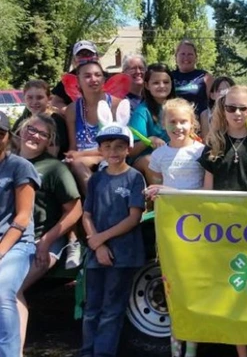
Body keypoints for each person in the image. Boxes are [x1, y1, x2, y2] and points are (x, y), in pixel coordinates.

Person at [199, 85, 247, 357]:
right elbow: (207, 193)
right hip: (224, 232)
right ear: (222, 108)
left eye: (242, 108)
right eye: (230, 107)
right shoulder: (213, 144)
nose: (236, 113)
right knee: (233, 295)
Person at [15, 114, 82, 354]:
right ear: (21, 131)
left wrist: (46, 242)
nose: (35, 135)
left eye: (42, 134)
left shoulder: (53, 169)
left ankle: (14, 351)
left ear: (49, 141)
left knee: (9, 290)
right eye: (31, 129)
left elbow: (75, 210)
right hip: (10, 242)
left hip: (43, 243)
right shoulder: (9, 163)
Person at [81, 110, 145, 357]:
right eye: (108, 146)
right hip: (97, 255)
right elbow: (87, 215)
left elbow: (134, 217)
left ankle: (103, 353)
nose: (114, 151)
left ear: (128, 149)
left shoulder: (134, 178)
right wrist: (96, 245)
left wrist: (101, 239)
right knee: (91, 309)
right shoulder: (96, 180)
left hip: (124, 255)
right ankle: (87, 352)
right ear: (101, 151)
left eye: (120, 146)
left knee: (111, 310)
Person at [145, 98, 204, 357]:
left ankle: (192, 343)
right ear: (163, 124)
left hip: (197, 228)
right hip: (170, 229)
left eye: (183, 121)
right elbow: (157, 186)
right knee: (172, 284)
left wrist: (170, 191)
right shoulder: (158, 156)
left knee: (193, 284)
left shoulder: (201, 152)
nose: (178, 127)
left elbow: (205, 191)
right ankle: (176, 342)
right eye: (173, 122)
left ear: (192, 123)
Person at [0, 111, 41, 357]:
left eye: (1, 134)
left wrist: (1, 250)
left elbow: (23, 218)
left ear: (8, 137)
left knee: (2, 292)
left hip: (17, 244)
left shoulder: (19, 166)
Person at [65, 61, 122, 196]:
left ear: (103, 79)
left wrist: (80, 155)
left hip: (109, 155)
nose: (93, 79)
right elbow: (73, 146)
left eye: (98, 75)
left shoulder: (115, 105)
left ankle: (96, 203)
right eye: (87, 76)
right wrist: (72, 155)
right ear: (78, 81)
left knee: (78, 163)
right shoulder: (72, 109)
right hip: (83, 158)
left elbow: (117, 145)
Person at [128, 63, 176, 183]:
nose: (161, 86)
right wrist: (149, 140)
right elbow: (131, 151)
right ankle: (158, 200)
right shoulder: (142, 111)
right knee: (150, 161)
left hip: (173, 156)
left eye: (166, 82)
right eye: (156, 83)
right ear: (147, 85)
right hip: (144, 161)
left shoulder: (179, 108)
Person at [12, 79, 69, 159]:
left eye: (39, 97)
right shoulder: (23, 119)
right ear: (24, 98)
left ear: (49, 99)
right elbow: (13, 143)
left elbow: (53, 153)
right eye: (30, 97)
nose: (34, 101)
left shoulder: (56, 121)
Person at [51, 40, 100, 113]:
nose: (85, 58)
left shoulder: (106, 77)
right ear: (74, 59)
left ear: (97, 57)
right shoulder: (67, 80)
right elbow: (56, 102)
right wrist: (71, 112)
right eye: (81, 55)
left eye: (89, 54)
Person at [171, 40, 213, 116]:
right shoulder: (169, 77)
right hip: (176, 122)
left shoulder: (205, 77)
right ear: (176, 57)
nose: (186, 57)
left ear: (196, 57)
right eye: (182, 54)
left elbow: (214, 103)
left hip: (200, 123)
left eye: (190, 54)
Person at [200, 76, 235, 140]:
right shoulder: (206, 114)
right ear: (212, 95)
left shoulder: (238, 112)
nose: (224, 93)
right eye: (220, 90)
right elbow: (206, 139)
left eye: (229, 90)